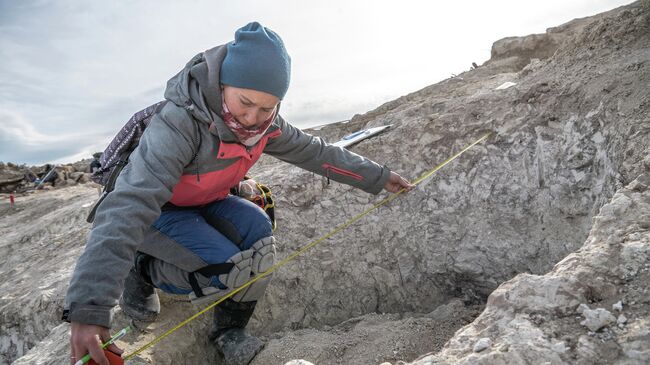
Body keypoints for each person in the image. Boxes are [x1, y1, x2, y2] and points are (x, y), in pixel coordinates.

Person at [64, 22, 414, 365]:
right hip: (159, 213)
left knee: (259, 240)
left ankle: (229, 332)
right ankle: (141, 269)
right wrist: (88, 308)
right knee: (224, 269)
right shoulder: (179, 123)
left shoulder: (267, 126)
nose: (252, 118)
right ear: (221, 84)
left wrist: (380, 177)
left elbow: (317, 152)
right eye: (245, 102)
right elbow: (129, 203)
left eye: (267, 108)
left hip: (207, 201)